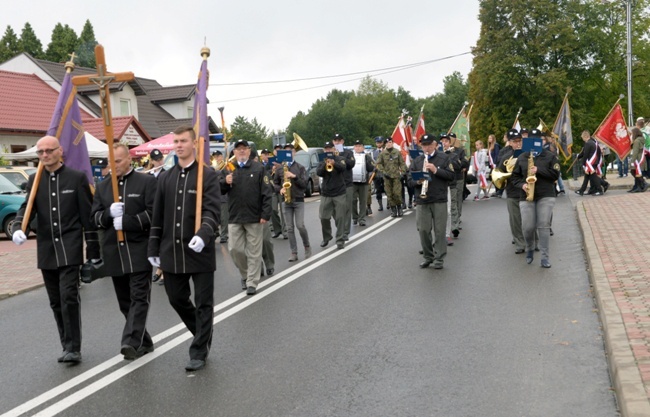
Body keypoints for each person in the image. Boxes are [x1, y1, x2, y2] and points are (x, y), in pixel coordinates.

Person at [11, 136, 100, 364]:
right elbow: (26, 208)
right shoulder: (35, 179)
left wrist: (93, 253)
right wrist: (17, 227)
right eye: (40, 152)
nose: (44, 155)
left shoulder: (76, 178)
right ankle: (65, 344)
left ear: (60, 151)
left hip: (70, 249)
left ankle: (73, 348)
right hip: (46, 249)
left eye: (49, 151)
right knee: (55, 301)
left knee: (69, 296)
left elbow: (87, 218)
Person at [147, 125, 221, 372]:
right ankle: (203, 332)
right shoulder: (165, 178)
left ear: (194, 144)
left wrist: (204, 234)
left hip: (200, 250)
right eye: (176, 141)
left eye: (183, 141)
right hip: (172, 252)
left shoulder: (207, 175)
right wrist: (153, 248)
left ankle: (198, 350)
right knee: (176, 298)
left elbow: (212, 211)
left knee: (203, 303)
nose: (178, 145)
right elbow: (157, 216)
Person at [91, 143, 157, 360]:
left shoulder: (147, 182)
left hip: (138, 249)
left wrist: (128, 221)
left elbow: (154, 214)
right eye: (111, 162)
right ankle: (144, 341)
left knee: (139, 297)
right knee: (125, 302)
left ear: (129, 159)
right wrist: (109, 214)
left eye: (118, 161)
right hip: (114, 252)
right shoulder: (102, 187)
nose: (114, 165)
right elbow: (95, 218)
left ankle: (130, 341)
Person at [221, 139, 272, 295]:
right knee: (235, 250)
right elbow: (219, 189)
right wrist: (225, 181)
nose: (241, 151)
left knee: (254, 251)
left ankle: (251, 282)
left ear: (249, 151)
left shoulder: (258, 168)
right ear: (234, 152)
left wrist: (265, 214)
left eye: (244, 149)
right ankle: (245, 274)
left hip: (254, 217)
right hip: (235, 216)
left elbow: (267, 192)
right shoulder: (229, 169)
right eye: (238, 149)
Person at [511, 128, 561, 268]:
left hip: (546, 195)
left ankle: (545, 257)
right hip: (526, 196)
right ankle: (530, 248)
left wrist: (539, 170)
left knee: (543, 225)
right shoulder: (522, 157)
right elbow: (514, 177)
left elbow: (555, 174)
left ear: (542, 141)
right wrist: (522, 185)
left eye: (538, 139)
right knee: (527, 227)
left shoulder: (550, 156)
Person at [408, 134, 455, 269]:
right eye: (424, 145)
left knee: (440, 231)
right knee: (423, 230)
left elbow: (451, 176)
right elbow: (409, 180)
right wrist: (418, 181)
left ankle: (439, 258)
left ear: (435, 145)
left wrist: (436, 170)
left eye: (429, 145)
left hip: (439, 198)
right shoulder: (417, 161)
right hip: (423, 200)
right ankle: (428, 256)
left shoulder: (444, 158)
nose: (426, 148)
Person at [274, 143, 311, 261]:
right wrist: (280, 189)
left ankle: (307, 246)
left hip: (298, 199)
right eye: (285, 151)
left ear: (294, 153)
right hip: (286, 201)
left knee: (300, 226)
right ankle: (294, 252)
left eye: (290, 151)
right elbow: (274, 183)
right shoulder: (279, 168)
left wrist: (294, 176)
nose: (288, 153)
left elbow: (305, 185)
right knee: (289, 228)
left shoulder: (300, 167)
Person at [499, 129, 526, 254]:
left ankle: (531, 241)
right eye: (515, 142)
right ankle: (520, 243)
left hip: (526, 189)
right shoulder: (505, 157)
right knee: (515, 219)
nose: (518, 143)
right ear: (510, 142)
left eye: (520, 141)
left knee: (528, 218)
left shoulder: (527, 154)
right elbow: (499, 172)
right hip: (512, 190)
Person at [317, 141, 347, 249]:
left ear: (334, 149)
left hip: (339, 192)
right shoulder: (322, 160)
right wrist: (325, 165)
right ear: (324, 150)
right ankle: (327, 237)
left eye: (330, 148)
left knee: (340, 217)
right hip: (326, 193)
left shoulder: (340, 158)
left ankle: (340, 240)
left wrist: (335, 164)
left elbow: (343, 168)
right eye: (326, 149)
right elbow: (318, 172)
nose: (328, 150)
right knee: (324, 217)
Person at [332, 133, 355, 241]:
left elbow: (351, 164)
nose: (337, 142)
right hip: (335, 185)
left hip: (347, 184)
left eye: (339, 140)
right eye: (335, 140)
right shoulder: (330, 153)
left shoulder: (348, 152)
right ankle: (340, 228)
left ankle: (345, 232)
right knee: (334, 210)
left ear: (343, 141)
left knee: (346, 209)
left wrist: (341, 157)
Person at [376, 137, 407, 217]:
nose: (388, 144)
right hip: (387, 177)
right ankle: (393, 209)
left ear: (392, 143)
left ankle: (399, 208)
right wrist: (383, 172)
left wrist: (403, 173)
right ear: (385, 144)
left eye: (390, 142)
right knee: (389, 194)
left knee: (397, 193)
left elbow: (402, 163)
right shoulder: (382, 154)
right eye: (387, 143)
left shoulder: (397, 152)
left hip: (396, 176)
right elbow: (378, 164)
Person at [448, 132, 469, 236]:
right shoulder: (444, 151)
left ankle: (457, 218)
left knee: (457, 199)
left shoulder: (460, 151)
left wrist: (460, 164)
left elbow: (465, 162)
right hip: (449, 179)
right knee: (452, 200)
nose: (450, 140)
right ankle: (453, 221)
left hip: (458, 177)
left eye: (452, 138)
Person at [351, 140, 374, 227]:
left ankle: (362, 219)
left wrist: (368, 164)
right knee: (353, 200)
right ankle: (354, 217)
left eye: (359, 146)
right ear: (354, 147)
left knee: (363, 201)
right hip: (353, 182)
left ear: (363, 147)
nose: (358, 148)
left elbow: (371, 167)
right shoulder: (351, 156)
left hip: (364, 182)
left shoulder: (367, 156)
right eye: (356, 146)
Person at [575, 130, 603, 196]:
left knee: (593, 177)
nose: (583, 140)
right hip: (593, 162)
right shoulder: (593, 142)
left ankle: (600, 190)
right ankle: (581, 190)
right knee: (587, 177)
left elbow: (586, 155)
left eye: (583, 138)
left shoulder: (588, 143)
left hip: (590, 163)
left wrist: (583, 164)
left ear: (585, 136)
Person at [270, 144, 287, 239]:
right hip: (273, 189)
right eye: (276, 150)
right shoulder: (271, 162)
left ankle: (285, 231)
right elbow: (266, 175)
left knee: (283, 211)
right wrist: (272, 170)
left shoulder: (284, 161)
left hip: (282, 189)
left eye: (279, 150)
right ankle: (277, 230)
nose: (277, 151)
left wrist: (279, 168)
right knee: (273, 210)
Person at [630, 120, 648, 193]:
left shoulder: (637, 141)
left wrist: (632, 161)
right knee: (635, 172)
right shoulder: (640, 139)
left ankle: (643, 184)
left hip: (638, 159)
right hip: (640, 157)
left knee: (635, 172)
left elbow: (635, 152)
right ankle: (638, 186)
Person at [372, 136, 386, 211]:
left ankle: (389, 203)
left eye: (380, 142)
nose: (379, 144)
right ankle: (380, 205)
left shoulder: (385, 151)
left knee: (386, 188)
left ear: (383, 143)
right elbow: (372, 162)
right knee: (378, 190)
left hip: (384, 172)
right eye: (377, 143)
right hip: (377, 173)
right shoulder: (373, 152)